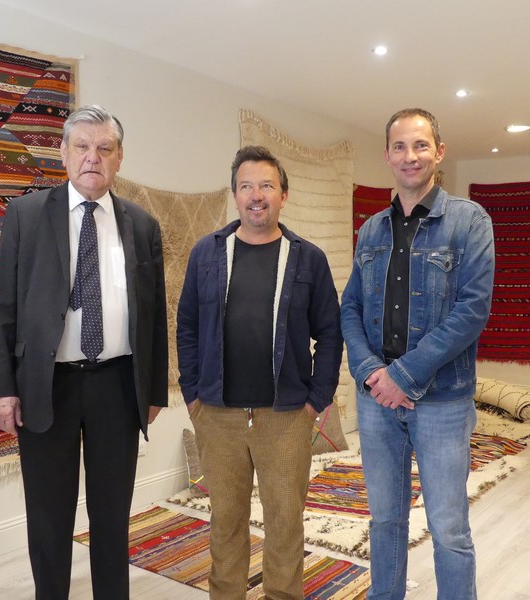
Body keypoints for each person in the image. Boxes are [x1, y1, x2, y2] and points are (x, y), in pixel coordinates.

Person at [0, 104, 168, 599]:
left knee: (112, 515)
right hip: (47, 387)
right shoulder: (25, 216)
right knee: (49, 517)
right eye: (82, 147)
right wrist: (1, 389)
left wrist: (154, 390)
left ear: (119, 158)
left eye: (105, 148)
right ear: (63, 153)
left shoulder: (142, 226)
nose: (93, 157)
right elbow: (3, 305)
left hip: (117, 386)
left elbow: (154, 316)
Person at [176, 145, 343, 599]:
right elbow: (187, 325)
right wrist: (193, 394)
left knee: (285, 523)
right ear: (234, 195)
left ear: (283, 195)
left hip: (285, 417)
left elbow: (331, 333)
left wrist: (316, 400)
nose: (256, 195)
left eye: (266, 185)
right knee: (225, 522)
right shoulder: (206, 254)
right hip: (218, 415)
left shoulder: (308, 259)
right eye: (246, 186)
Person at [341, 108, 495, 600]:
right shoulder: (371, 230)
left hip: (443, 401)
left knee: (448, 528)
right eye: (400, 147)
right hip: (376, 402)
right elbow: (350, 307)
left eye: (421, 145)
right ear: (387, 155)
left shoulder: (469, 221)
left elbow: (471, 311)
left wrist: (402, 376)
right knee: (384, 519)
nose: (410, 156)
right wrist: (372, 372)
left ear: (439, 152)